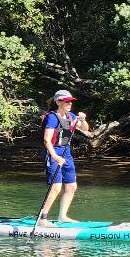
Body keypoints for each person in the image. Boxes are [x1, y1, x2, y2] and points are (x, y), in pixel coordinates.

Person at [38, 89, 90, 226]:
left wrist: (82, 119)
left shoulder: (71, 116)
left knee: (72, 186)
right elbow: (47, 140)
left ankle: (62, 216)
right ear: (58, 102)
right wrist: (55, 156)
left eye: (71, 101)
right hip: (53, 152)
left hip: (66, 152)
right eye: (66, 101)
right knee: (56, 187)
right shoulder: (52, 117)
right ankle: (42, 219)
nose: (69, 104)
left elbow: (85, 129)